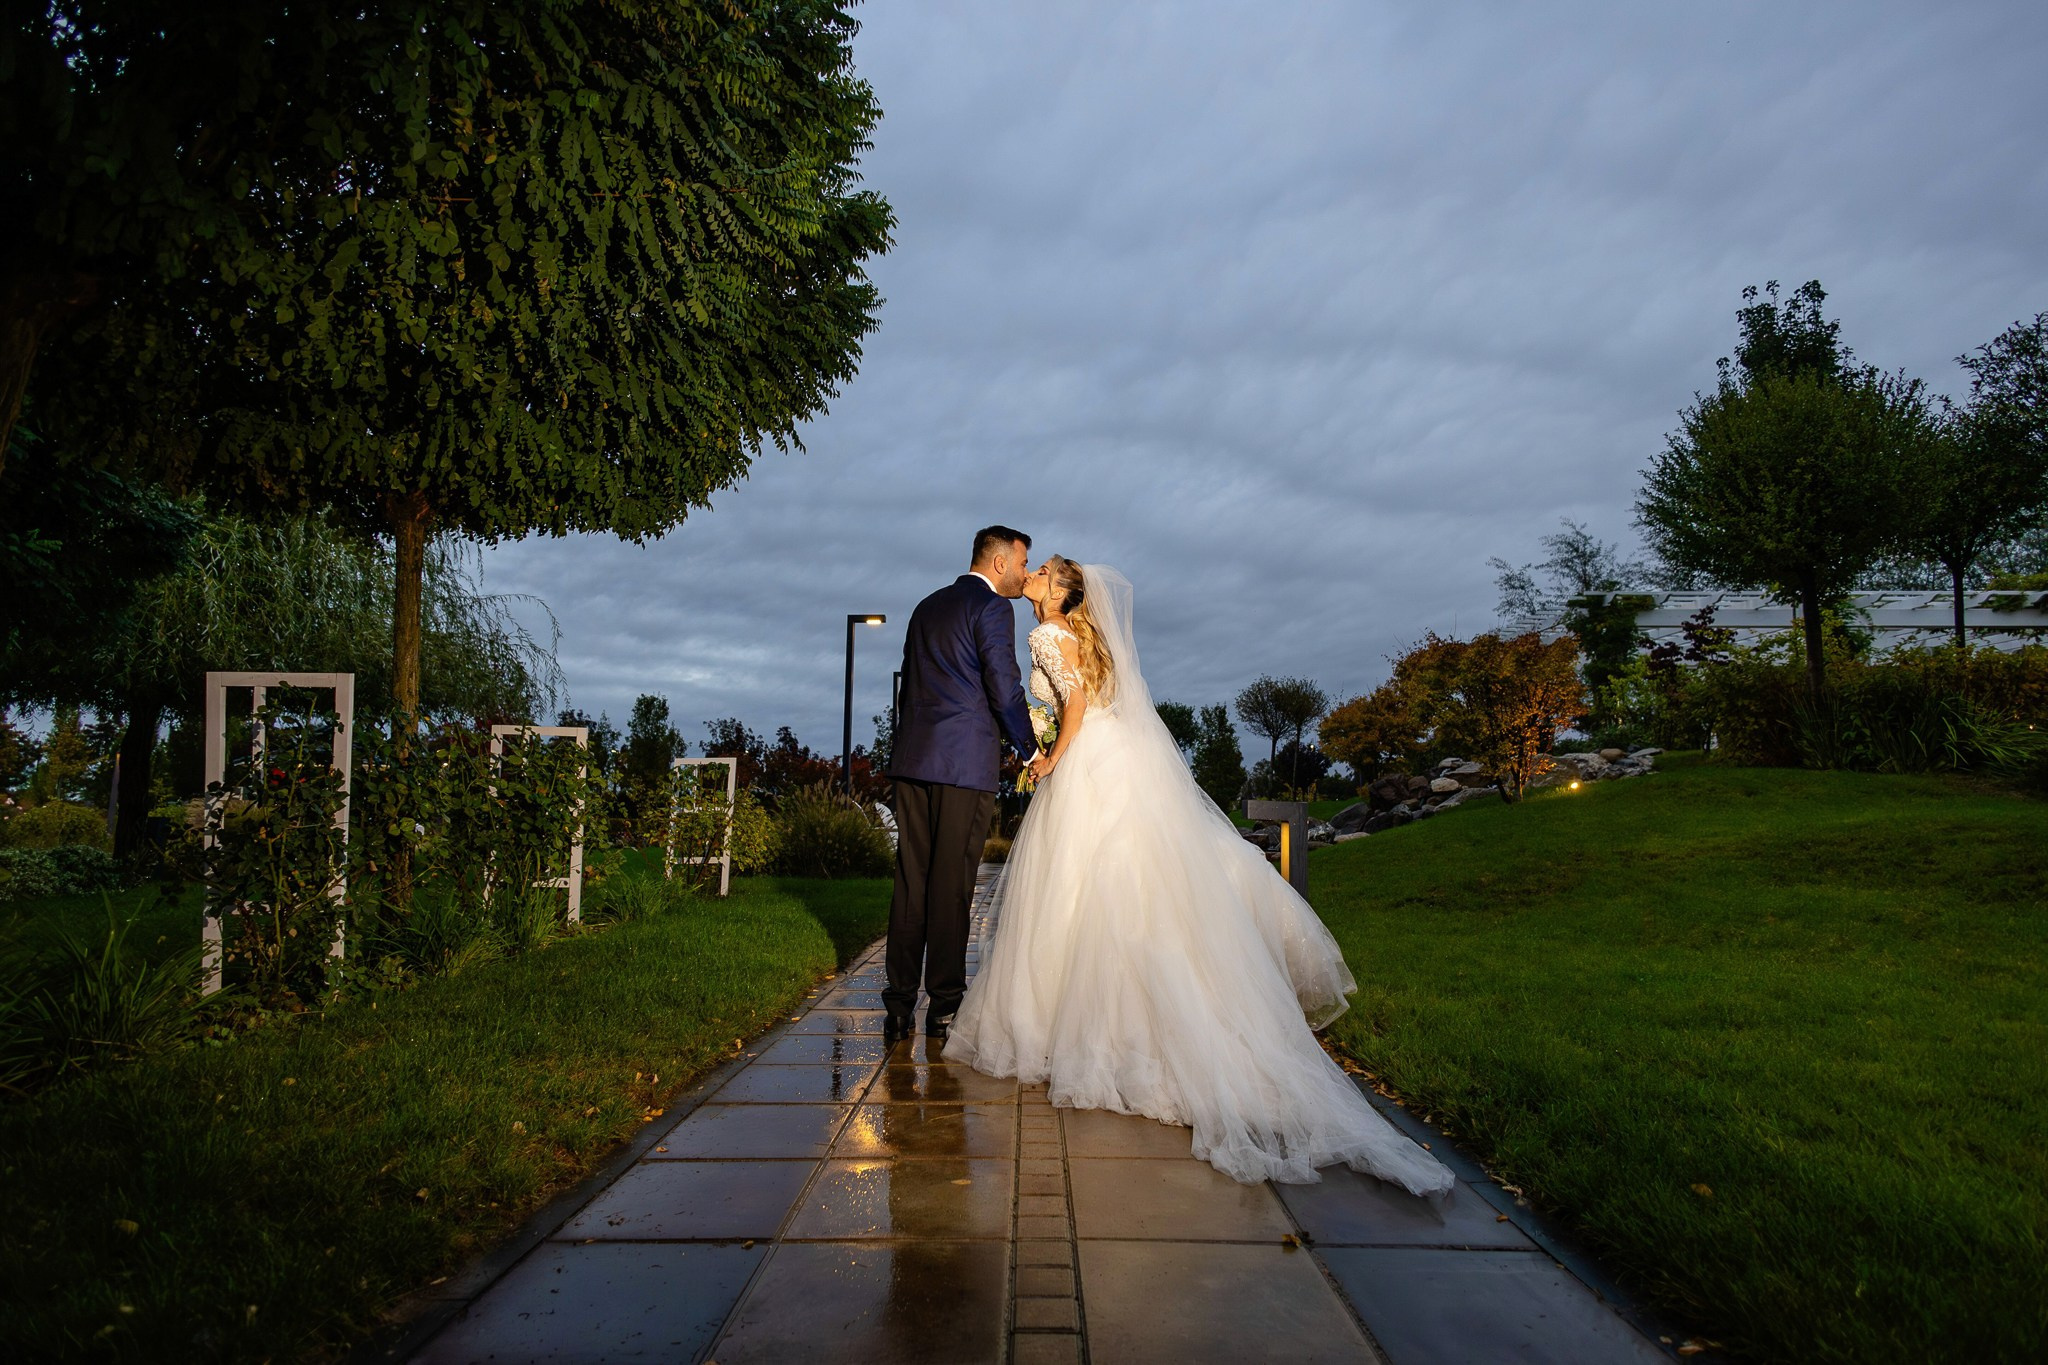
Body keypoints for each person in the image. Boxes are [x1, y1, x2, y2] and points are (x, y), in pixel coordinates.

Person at [946, 557, 1454, 1194]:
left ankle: (1076, 1031)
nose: (1036, 576)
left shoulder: (1048, 634)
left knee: (1083, 889)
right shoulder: (1087, 639)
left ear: (1065, 594)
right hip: (1119, 761)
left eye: (1045, 572)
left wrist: (1049, 759)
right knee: (1122, 887)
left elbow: (1073, 702)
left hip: (1087, 766)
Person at [882, 525, 1040, 1045]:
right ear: (998, 563)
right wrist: (1030, 747)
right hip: (962, 767)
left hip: (914, 760)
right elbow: (1003, 684)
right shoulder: (994, 608)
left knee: (911, 883)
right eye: (1021, 564)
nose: (1023, 575)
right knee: (951, 886)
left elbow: (908, 682)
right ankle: (945, 1006)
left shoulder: (926, 606)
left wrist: (907, 748)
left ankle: (899, 1006)